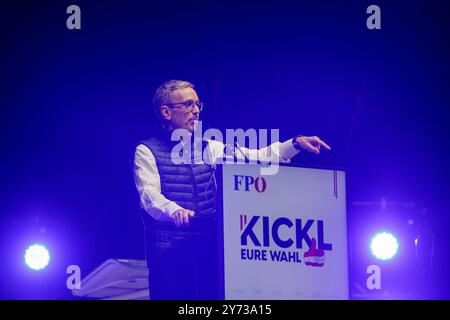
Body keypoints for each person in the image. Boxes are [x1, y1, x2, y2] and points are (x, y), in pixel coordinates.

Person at [133, 79, 331, 299]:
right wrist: (174, 210)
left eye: (198, 104)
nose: (196, 110)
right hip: (170, 252)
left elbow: (258, 157)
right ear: (166, 112)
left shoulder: (210, 147)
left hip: (208, 248)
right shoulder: (146, 150)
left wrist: (294, 144)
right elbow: (149, 196)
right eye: (188, 105)